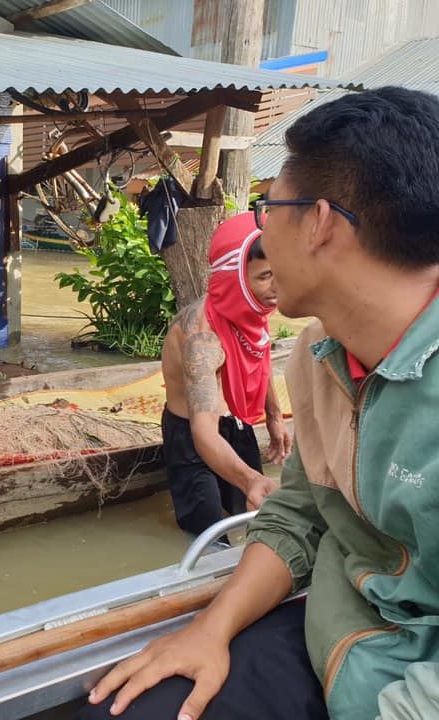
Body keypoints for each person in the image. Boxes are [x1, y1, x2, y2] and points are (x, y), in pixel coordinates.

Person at [82, 85, 439, 720]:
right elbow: (297, 506)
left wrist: (269, 430)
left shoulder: (275, 333)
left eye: (269, 207)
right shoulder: (303, 347)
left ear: (321, 222)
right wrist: (210, 630)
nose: (264, 236)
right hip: (313, 600)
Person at [160, 211, 290, 538]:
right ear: (237, 278)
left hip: (234, 423)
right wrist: (250, 479)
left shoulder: (252, 310)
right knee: (208, 536)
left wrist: (274, 416)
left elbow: (258, 353)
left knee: (261, 517)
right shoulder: (201, 339)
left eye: (282, 274)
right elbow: (204, 432)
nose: (277, 288)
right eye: (265, 276)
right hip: (194, 436)